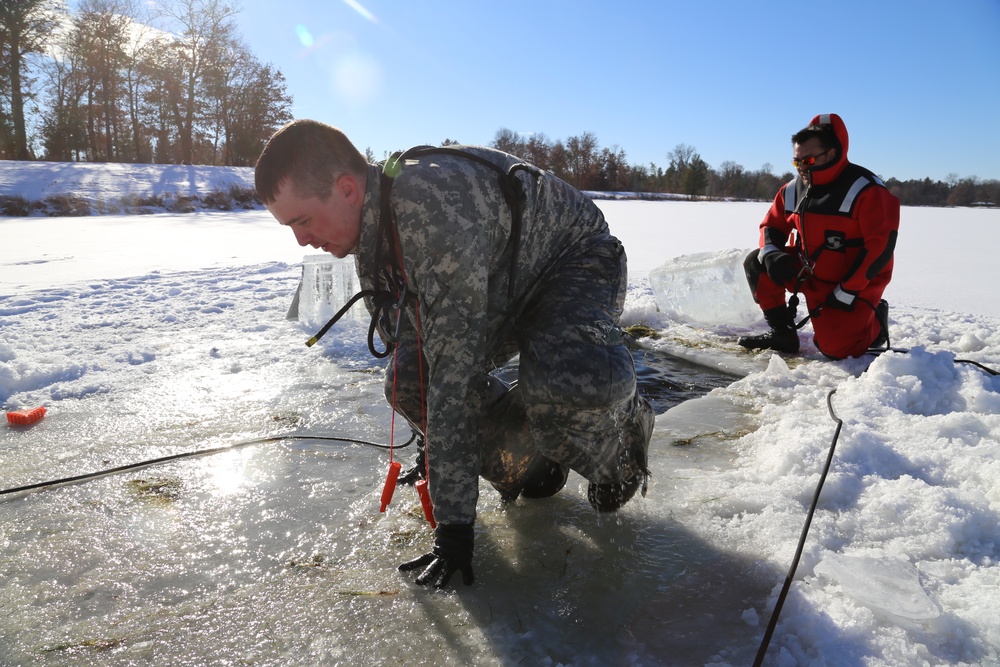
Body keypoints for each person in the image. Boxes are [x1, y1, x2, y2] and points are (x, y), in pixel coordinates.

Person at [254, 119, 654, 589]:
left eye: (302, 221)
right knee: (404, 379)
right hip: (500, 278)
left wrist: (455, 529)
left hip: (572, 262)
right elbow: (421, 363)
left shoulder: (434, 208)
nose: (301, 241)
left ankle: (625, 437)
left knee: (563, 380)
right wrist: (435, 452)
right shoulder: (371, 231)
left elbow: (453, 377)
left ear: (346, 189)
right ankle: (535, 460)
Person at [738, 113, 900, 359]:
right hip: (808, 271)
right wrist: (771, 253)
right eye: (797, 162)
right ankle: (782, 333)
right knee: (756, 261)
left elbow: (879, 249)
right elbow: (772, 226)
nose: (802, 167)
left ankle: (876, 317)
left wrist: (848, 290)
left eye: (809, 160)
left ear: (832, 153)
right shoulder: (793, 189)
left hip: (852, 281)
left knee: (836, 350)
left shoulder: (867, 190)